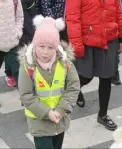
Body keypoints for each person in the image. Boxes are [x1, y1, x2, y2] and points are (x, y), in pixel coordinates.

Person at [66, 0, 122, 131]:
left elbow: (118, 14)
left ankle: (103, 115)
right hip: (87, 42)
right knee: (85, 76)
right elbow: (72, 20)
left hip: (109, 41)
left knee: (106, 78)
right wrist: (76, 46)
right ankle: (73, 91)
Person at [18, 16, 80, 149]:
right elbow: (26, 95)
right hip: (39, 122)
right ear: (35, 45)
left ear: (56, 47)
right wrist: (47, 113)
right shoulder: (28, 66)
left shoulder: (65, 63)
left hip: (60, 119)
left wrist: (61, 110)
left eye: (51, 47)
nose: (45, 52)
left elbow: (73, 87)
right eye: (41, 46)